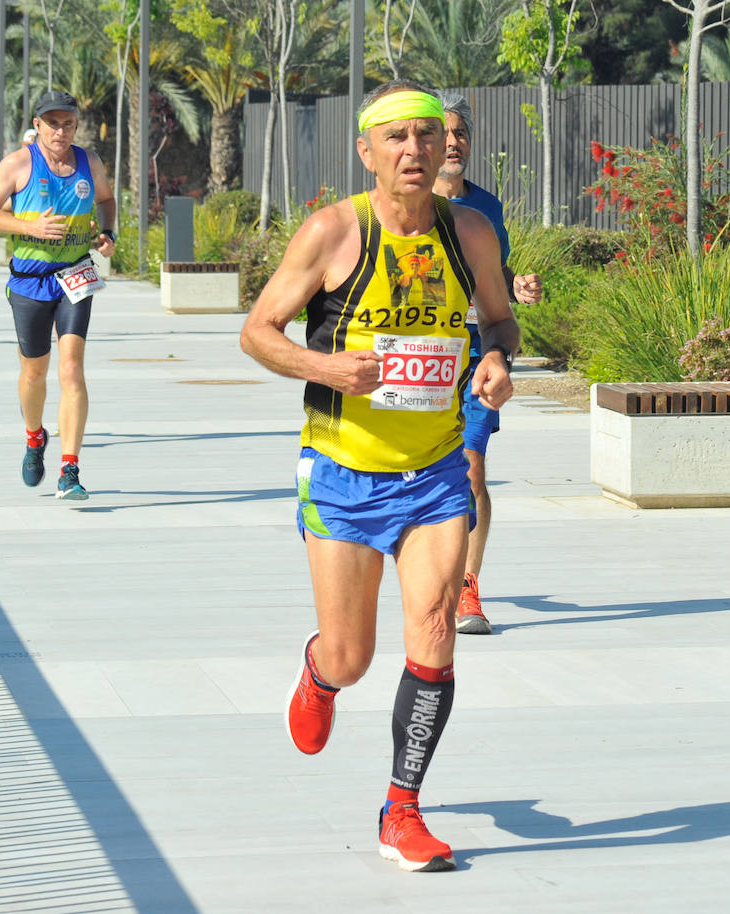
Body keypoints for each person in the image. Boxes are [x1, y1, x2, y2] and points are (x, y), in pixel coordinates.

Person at [239, 78, 519, 873]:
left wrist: (498, 358)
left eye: (427, 136)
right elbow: (257, 332)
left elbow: (498, 319)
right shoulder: (333, 232)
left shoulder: (469, 233)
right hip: (342, 473)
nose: (414, 150)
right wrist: (324, 363)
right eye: (395, 137)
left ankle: (403, 808)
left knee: (434, 635)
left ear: (445, 147)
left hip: (433, 473)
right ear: (366, 152)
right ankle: (320, 674)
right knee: (354, 654)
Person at [431, 91, 543, 636]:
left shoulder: (487, 207)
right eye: (444, 132)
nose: (453, 143)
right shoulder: (396, 204)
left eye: (462, 134)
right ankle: (423, 570)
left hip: (477, 353)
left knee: (471, 465)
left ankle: (467, 588)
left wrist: (515, 286)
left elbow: (492, 276)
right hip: (418, 356)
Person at [0, 90, 117, 501]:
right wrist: (30, 227)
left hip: (75, 274)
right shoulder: (19, 163)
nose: (61, 131)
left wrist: (107, 233)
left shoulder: (89, 162)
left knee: (72, 370)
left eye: (68, 123)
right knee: (34, 374)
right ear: (37, 125)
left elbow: (106, 200)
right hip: (29, 280)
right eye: (52, 123)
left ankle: (69, 469)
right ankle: (34, 436)